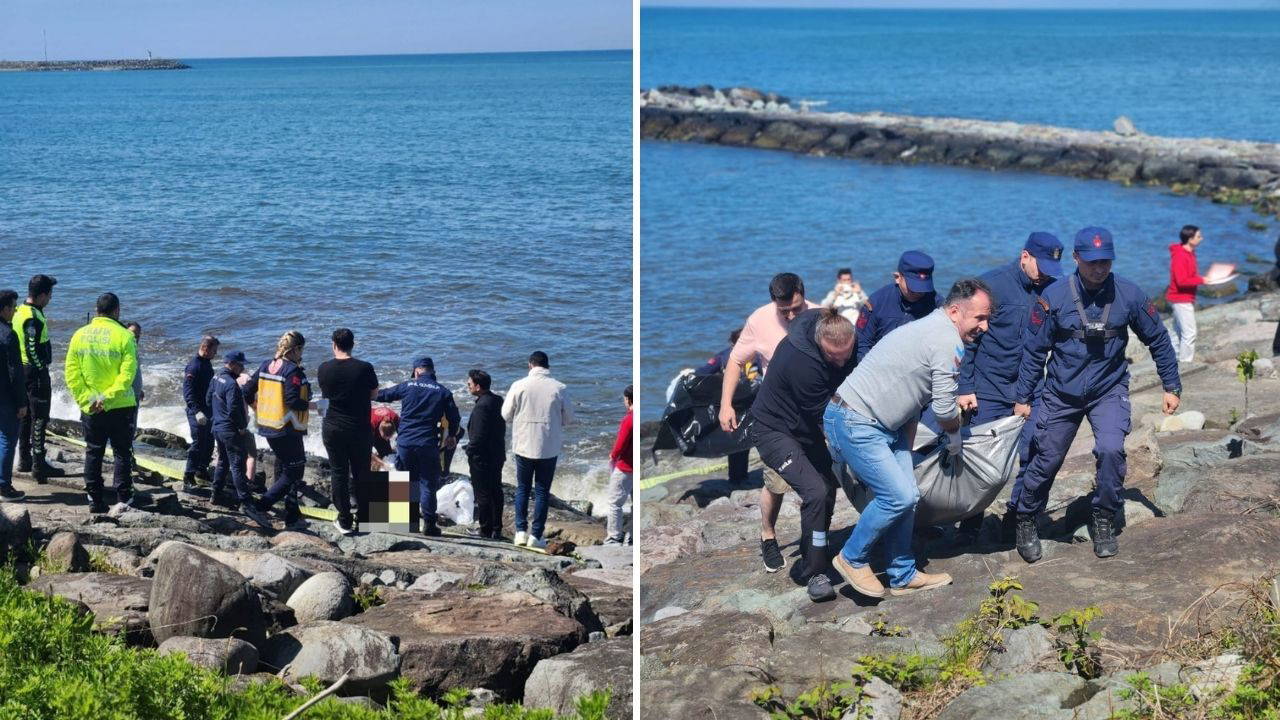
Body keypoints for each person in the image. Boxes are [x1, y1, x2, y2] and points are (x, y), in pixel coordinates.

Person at [1012, 227, 1182, 563]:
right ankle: (1026, 518)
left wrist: (1171, 385)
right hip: (1061, 392)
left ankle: (1103, 517)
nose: (1099, 268)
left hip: (1108, 389)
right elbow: (1034, 352)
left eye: (1105, 262)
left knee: (1111, 450)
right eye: (1091, 262)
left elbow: (1159, 339)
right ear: (1076, 258)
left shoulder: (1129, 294)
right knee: (1045, 458)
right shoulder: (1055, 297)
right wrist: (1024, 397)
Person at [827, 279, 992, 599]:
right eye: (980, 318)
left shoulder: (932, 325)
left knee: (909, 495)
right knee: (898, 496)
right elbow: (945, 408)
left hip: (890, 424)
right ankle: (851, 558)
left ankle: (901, 573)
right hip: (855, 420)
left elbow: (913, 389)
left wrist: (912, 436)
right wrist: (955, 436)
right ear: (956, 311)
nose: (985, 327)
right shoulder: (948, 342)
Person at [953, 232, 1064, 543]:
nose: (1045, 275)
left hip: (1031, 387)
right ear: (1024, 256)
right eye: (1040, 266)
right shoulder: (991, 286)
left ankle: (1018, 516)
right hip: (987, 386)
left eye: (1051, 269)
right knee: (981, 460)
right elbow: (966, 337)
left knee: (1040, 450)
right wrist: (965, 386)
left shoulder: (1054, 288)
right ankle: (970, 521)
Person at [748, 307, 857, 601]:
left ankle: (816, 545)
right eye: (835, 357)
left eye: (847, 354)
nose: (843, 361)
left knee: (828, 487)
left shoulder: (836, 330)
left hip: (805, 427)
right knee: (816, 491)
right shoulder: (803, 363)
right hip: (774, 430)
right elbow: (830, 420)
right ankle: (814, 571)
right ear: (821, 345)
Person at [717, 272, 819, 573]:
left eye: (795, 309)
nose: (789, 315)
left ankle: (810, 541)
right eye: (783, 310)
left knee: (816, 482)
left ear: (803, 294)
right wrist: (726, 405)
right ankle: (768, 535)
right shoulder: (759, 320)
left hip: (814, 412)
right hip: (777, 415)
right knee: (776, 482)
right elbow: (736, 361)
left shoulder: (819, 316)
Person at [64, 293, 139, 514]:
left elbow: (71, 372)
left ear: (96, 311)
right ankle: (124, 497)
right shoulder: (125, 336)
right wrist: (107, 397)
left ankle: (94, 499)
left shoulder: (79, 335)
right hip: (119, 406)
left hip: (91, 407)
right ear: (117, 311)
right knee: (122, 452)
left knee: (94, 452)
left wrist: (88, 398)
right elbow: (127, 376)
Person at [375, 357, 462, 536]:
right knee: (428, 484)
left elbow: (383, 395)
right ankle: (429, 525)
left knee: (405, 480)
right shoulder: (443, 391)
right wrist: (452, 435)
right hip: (427, 443)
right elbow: (455, 418)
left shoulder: (408, 386)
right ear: (432, 371)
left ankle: (402, 521)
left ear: (416, 371)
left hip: (405, 443)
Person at [502, 351, 574, 549]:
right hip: (548, 447)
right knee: (542, 491)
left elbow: (505, 414)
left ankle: (520, 532)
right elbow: (569, 418)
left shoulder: (519, 385)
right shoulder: (559, 387)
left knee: (523, 488)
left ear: (530, 365)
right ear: (547, 366)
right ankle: (536, 535)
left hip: (524, 444)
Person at [242, 330, 313, 530]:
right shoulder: (292, 371)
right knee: (295, 470)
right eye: (301, 350)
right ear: (295, 349)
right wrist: (309, 403)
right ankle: (261, 505)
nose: (302, 354)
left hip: (267, 426)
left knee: (283, 466)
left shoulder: (266, 365)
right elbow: (292, 400)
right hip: (287, 428)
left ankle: (291, 513)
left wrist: (257, 408)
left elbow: (247, 391)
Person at [317, 328, 379, 536]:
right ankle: (365, 518)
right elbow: (374, 394)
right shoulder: (364, 368)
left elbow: (325, 397)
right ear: (353, 344)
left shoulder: (323, 368)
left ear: (334, 344)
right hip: (359, 427)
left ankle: (344, 519)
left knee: (339, 472)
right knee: (362, 472)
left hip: (332, 426)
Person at [12, 274, 65, 482]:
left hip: (21, 371)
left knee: (25, 416)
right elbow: (31, 345)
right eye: (50, 294)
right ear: (42, 295)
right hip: (35, 372)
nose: (51, 298)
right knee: (40, 417)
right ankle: (38, 464)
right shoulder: (32, 316)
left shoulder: (19, 311)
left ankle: (24, 458)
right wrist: (41, 366)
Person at [694, 327, 761, 486]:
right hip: (734, 407)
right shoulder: (723, 357)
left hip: (752, 406)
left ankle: (740, 477)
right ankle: (738, 478)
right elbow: (701, 372)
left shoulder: (757, 357)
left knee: (746, 441)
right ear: (733, 344)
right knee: (738, 442)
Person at [855, 251, 940, 363]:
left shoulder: (938, 306)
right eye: (913, 287)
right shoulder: (876, 303)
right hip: (879, 366)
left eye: (923, 287)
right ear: (897, 277)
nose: (919, 292)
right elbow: (862, 343)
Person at [207, 350, 254, 511]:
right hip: (230, 430)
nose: (243, 369)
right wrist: (241, 427)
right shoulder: (232, 385)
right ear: (232, 364)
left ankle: (216, 493)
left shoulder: (215, 378)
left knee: (223, 461)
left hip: (217, 427)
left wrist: (217, 416)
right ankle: (245, 502)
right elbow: (234, 409)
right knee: (237, 465)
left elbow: (208, 399)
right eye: (241, 365)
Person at [465, 369, 506, 539]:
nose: (467, 386)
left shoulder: (482, 406)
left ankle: (485, 529)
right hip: (497, 453)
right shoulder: (497, 400)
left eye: (470, 383)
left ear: (478, 386)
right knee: (496, 490)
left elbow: (479, 435)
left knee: (482, 493)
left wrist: (469, 449)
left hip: (482, 456)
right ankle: (497, 528)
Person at [181, 335, 220, 494]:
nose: (216, 354)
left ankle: (201, 470)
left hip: (208, 411)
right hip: (196, 411)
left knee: (209, 441)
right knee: (198, 443)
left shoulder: (206, 364)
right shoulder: (194, 366)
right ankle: (188, 477)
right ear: (206, 348)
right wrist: (196, 411)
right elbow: (188, 392)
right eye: (214, 351)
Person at [0, 290, 27, 500]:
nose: (16, 310)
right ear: (5, 309)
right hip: (6, 396)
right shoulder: (8, 334)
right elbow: (15, 372)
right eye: (14, 307)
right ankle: (3, 486)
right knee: (8, 439)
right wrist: (21, 402)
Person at [1166, 225, 1205, 363]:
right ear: (1190, 239)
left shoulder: (1189, 253)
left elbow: (1189, 276)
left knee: (1177, 332)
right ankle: (1185, 364)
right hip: (1180, 299)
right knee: (1190, 333)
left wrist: (1201, 280)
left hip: (1182, 298)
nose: (1202, 238)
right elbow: (1182, 281)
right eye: (1199, 236)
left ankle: (1172, 360)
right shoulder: (1181, 256)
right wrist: (1203, 280)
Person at [605, 385, 633, 545]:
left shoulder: (629, 419)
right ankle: (632, 535)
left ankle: (614, 536)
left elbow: (620, 443)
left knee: (615, 503)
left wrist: (613, 455)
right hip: (636, 467)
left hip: (625, 467)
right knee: (634, 503)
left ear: (628, 399)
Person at [125, 322, 144, 431]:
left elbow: (136, 372)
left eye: (138, 335)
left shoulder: (134, 349)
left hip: (135, 394)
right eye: (133, 334)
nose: (136, 338)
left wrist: (139, 389)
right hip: (127, 396)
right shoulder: (124, 349)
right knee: (127, 426)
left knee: (133, 424)